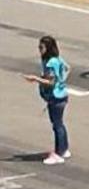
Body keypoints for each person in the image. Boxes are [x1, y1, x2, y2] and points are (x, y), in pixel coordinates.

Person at [22, 36, 71, 165]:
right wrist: (63, 80)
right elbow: (67, 68)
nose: (39, 50)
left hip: (55, 97)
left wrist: (36, 79)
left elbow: (50, 82)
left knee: (57, 125)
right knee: (60, 123)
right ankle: (64, 148)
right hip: (62, 95)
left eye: (41, 47)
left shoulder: (51, 63)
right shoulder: (57, 59)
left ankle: (58, 153)